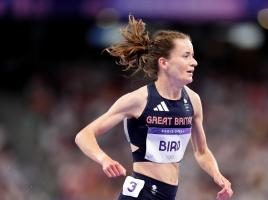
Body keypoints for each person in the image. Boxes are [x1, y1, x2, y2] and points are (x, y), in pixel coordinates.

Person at [75, 15, 233, 200]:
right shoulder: (138, 100)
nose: (194, 62)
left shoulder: (193, 100)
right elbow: (83, 135)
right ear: (164, 62)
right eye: (186, 56)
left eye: (193, 56)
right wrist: (104, 159)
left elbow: (202, 151)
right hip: (142, 193)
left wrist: (217, 175)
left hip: (167, 195)